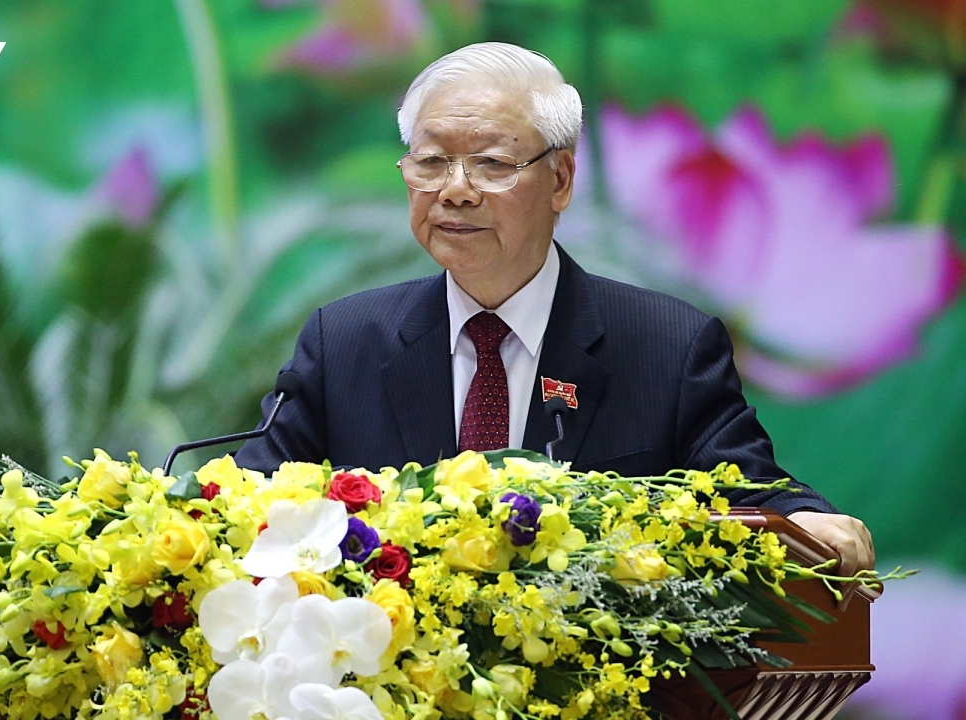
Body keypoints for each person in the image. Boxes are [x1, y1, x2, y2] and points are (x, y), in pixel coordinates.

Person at [235, 42, 874, 576]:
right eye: (431, 162)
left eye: (491, 164)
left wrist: (803, 521)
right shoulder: (343, 340)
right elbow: (249, 498)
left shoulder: (666, 346)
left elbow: (748, 492)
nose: (454, 191)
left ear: (562, 180)